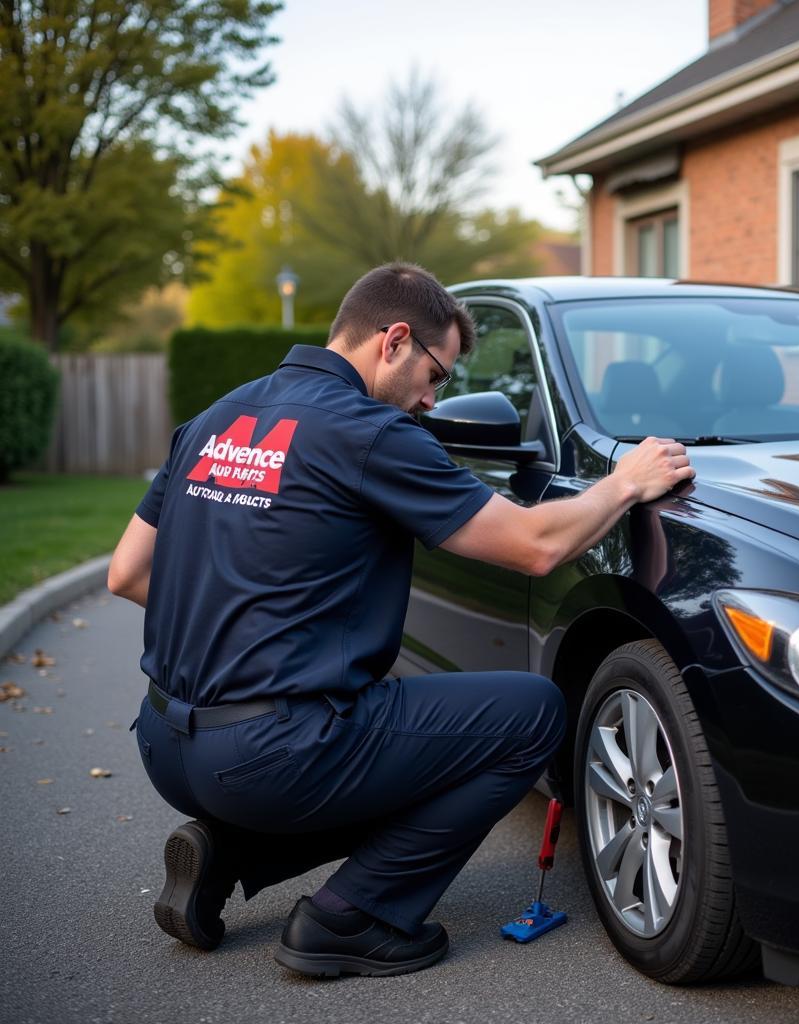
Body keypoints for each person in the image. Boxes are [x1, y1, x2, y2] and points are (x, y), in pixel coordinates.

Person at [108, 262, 694, 979]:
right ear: (394, 341)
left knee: (401, 747)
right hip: (270, 753)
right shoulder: (369, 432)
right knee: (531, 713)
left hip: (167, 743)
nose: (431, 398)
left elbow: (128, 574)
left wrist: (242, 637)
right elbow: (536, 546)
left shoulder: (216, 418)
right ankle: (350, 918)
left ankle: (233, 856)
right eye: (437, 373)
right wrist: (625, 482)